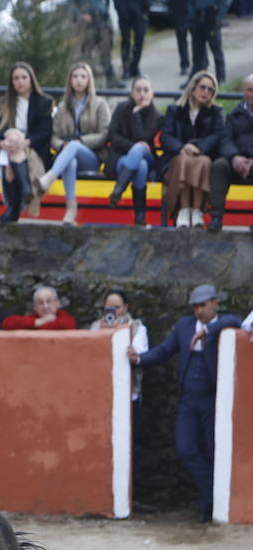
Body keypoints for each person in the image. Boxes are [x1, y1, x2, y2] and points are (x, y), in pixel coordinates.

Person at [130, 284, 243, 521]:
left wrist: (208, 331)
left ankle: (208, 506)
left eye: (203, 305)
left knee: (215, 453)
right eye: (195, 306)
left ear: (215, 304)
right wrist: (139, 358)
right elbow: (163, 351)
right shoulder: (184, 326)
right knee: (186, 449)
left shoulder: (224, 324)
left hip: (214, 402)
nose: (199, 311)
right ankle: (210, 496)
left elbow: (234, 321)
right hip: (189, 401)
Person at [36, 62, 110, 225]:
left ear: (89, 80)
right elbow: (53, 136)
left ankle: (48, 179)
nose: (79, 80)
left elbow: (104, 134)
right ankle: (71, 207)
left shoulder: (100, 104)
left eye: (83, 77)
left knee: (75, 147)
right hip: (67, 154)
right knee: (71, 160)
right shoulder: (62, 107)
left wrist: (81, 141)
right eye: (75, 76)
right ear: (70, 80)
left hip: (92, 156)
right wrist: (62, 145)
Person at [158, 71, 224, 229]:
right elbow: (165, 137)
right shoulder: (175, 110)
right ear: (193, 88)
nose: (206, 92)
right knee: (183, 161)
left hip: (203, 154)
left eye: (211, 90)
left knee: (203, 162)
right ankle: (183, 209)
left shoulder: (215, 112)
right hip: (177, 156)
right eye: (203, 87)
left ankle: (197, 211)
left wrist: (199, 147)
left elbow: (218, 135)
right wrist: (181, 147)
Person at [0, 61, 52, 224]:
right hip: (7, 149)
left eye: (24, 77)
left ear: (31, 79)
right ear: (11, 82)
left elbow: (45, 133)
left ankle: (13, 210)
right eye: (16, 78)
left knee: (13, 146)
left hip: (33, 149)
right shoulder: (4, 103)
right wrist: (2, 143)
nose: (20, 82)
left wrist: (26, 142)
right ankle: (25, 189)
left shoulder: (43, 102)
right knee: (11, 143)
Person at [105, 76, 161, 227]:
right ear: (132, 93)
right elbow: (113, 136)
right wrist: (133, 147)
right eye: (138, 90)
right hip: (121, 158)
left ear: (152, 93)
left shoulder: (157, 117)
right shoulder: (121, 108)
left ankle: (118, 190)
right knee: (140, 165)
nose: (142, 94)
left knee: (141, 153)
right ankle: (140, 217)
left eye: (146, 90)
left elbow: (143, 138)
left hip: (148, 157)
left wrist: (136, 114)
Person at [207, 73, 253, 233]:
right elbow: (225, 139)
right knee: (219, 165)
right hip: (236, 160)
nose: (252, 94)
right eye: (249, 90)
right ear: (243, 92)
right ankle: (216, 217)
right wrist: (234, 157)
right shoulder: (233, 114)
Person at [91, 288, 149, 403]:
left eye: (117, 307)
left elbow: (139, 352)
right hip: (101, 387)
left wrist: (118, 330)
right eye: (109, 308)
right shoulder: (96, 327)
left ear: (125, 307)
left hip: (128, 389)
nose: (113, 312)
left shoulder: (137, 327)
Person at [72, 0, 117, 86]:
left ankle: (111, 81)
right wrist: (80, 15)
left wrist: (106, 10)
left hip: (102, 20)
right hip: (88, 24)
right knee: (86, 54)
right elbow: (72, 4)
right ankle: (86, 84)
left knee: (106, 51)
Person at [2, 286, 78, 330]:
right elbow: (7, 323)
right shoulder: (34, 318)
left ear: (57, 303)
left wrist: (33, 328)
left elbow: (67, 324)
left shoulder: (65, 317)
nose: (45, 306)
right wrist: (39, 321)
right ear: (35, 307)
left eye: (49, 301)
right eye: (40, 303)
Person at [190, 0, 227, 85]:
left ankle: (221, 78)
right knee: (197, 53)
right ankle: (196, 80)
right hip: (197, 16)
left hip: (212, 15)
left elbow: (225, 2)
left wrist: (218, 18)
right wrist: (191, 14)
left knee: (216, 51)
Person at [115, 0, 148, 79]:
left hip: (139, 7)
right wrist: (118, 6)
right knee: (126, 40)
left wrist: (146, 7)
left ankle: (134, 67)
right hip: (123, 7)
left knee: (139, 39)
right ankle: (126, 68)